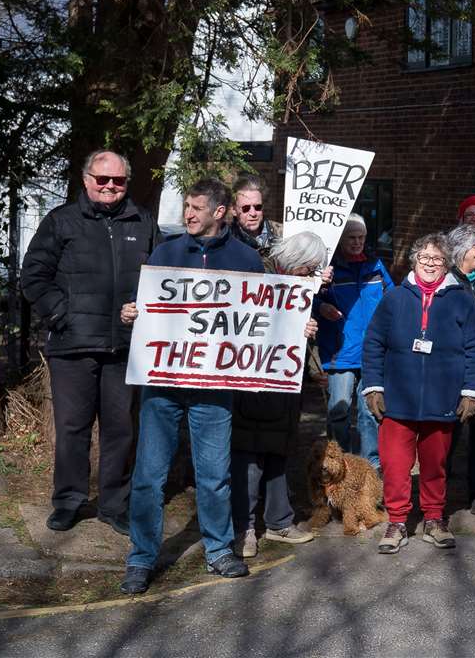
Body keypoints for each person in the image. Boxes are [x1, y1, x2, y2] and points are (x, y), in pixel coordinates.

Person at [120, 178, 264, 595]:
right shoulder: (165, 253)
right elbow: (146, 305)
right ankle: (141, 557)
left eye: (197, 208)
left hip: (214, 387)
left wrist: (295, 329)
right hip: (163, 385)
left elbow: (265, 318)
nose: (188, 214)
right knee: (149, 475)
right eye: (186, 206)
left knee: (214, 474)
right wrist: (132, 312)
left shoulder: (246, 259)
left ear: (220, 212)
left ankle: (219, 551)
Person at [21, 150, 159, 535]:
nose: (110, 187)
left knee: (120, 430)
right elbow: (33, 277)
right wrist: (60, 314)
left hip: (125, 347)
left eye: (118, 181)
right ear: (86, 180)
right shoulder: (62, 221)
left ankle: (115, 504)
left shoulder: (143, 221)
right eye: (103, 180)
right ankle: (68, 501)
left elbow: (163, 279)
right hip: (73, 346)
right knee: (72, 428)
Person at [361, 229, 475, 553]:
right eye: (425, 257)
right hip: (397, 398)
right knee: (394, 464)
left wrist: (472, 392)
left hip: (442, 398)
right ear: (414, 259)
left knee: (435, 465)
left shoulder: (461, 299)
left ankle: (434, 519)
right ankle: (397, 522)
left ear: (446, 264)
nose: (430, 264)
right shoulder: (394, 299)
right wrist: (373, 387)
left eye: (437, 259)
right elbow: (374, 342)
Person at [232, 231, 323, 555]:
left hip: (284, 383)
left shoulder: (296, 284)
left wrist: (306, 332)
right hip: (255, 380)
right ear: (295, 261)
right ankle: (244, 528)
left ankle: (278, 521)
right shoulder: (261, 275)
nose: (310, 274)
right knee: (251, 456)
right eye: (308, 268)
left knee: (278, 453)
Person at [317, 215, 394, 473]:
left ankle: (370, 466)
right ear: (340, 239)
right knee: (338, 410)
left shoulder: (375, 266)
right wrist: (321, 305)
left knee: (369, 413)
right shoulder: (327, 271)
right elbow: (306, 300)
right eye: (352, 237)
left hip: (372, 352)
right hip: (340, 352)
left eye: (361, 237)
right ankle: (341, 463)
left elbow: (393, 298)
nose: (357, 242)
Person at [438, 229, 475, 517]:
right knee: (447, 434)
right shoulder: (446, 281)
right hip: (452, 368)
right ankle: (440, 493)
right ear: (461, 250)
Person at [231, 174, 278, 254]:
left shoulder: (283, 234)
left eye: (258, 207)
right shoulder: (225, 239)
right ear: (234, 210)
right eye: (246, 208)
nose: (253, 213)